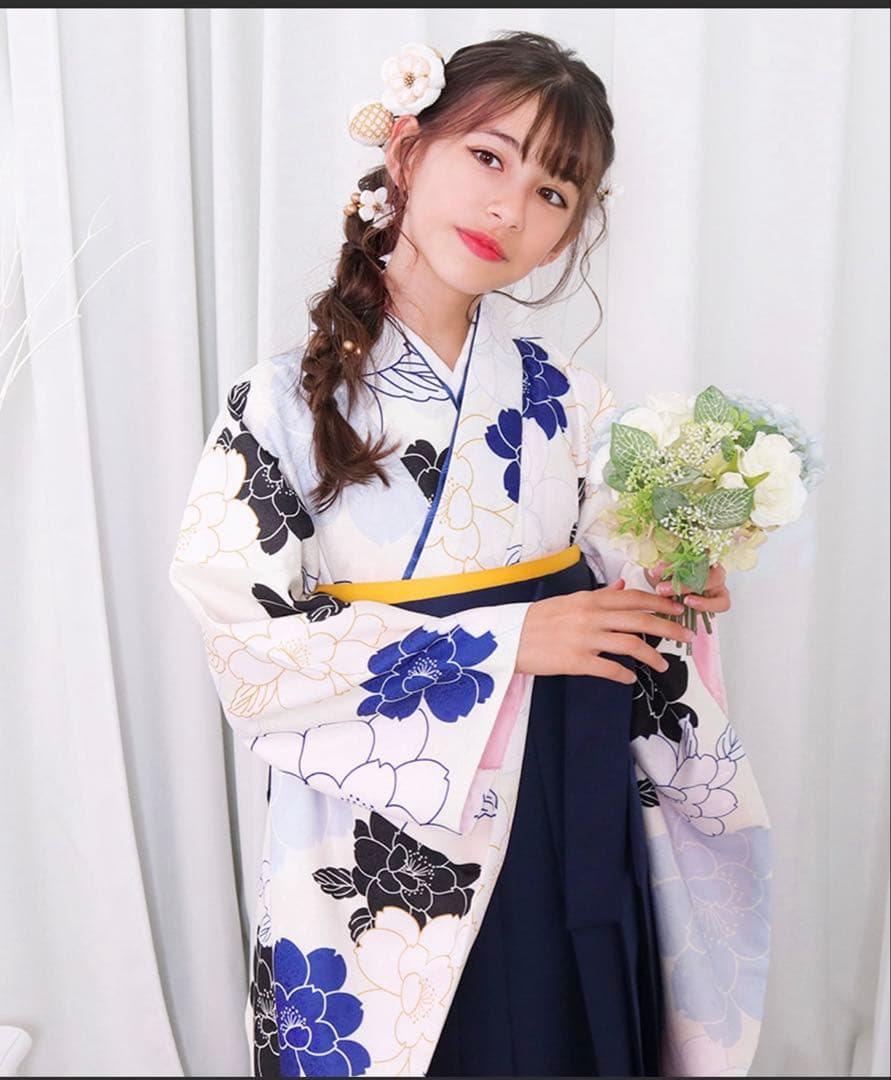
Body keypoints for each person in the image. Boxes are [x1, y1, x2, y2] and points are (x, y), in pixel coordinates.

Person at [168, 31, 772, 1078]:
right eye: (488, 157)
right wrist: (507, 642)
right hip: (382, 799)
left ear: (569, 230)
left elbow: (616, 572)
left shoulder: (571, 401)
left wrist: (670, 583)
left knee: (562, 1022)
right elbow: (248, 645)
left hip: (565, 771)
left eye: (552, 192)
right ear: (406, 149)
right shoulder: (277, 405)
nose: (509, 207)